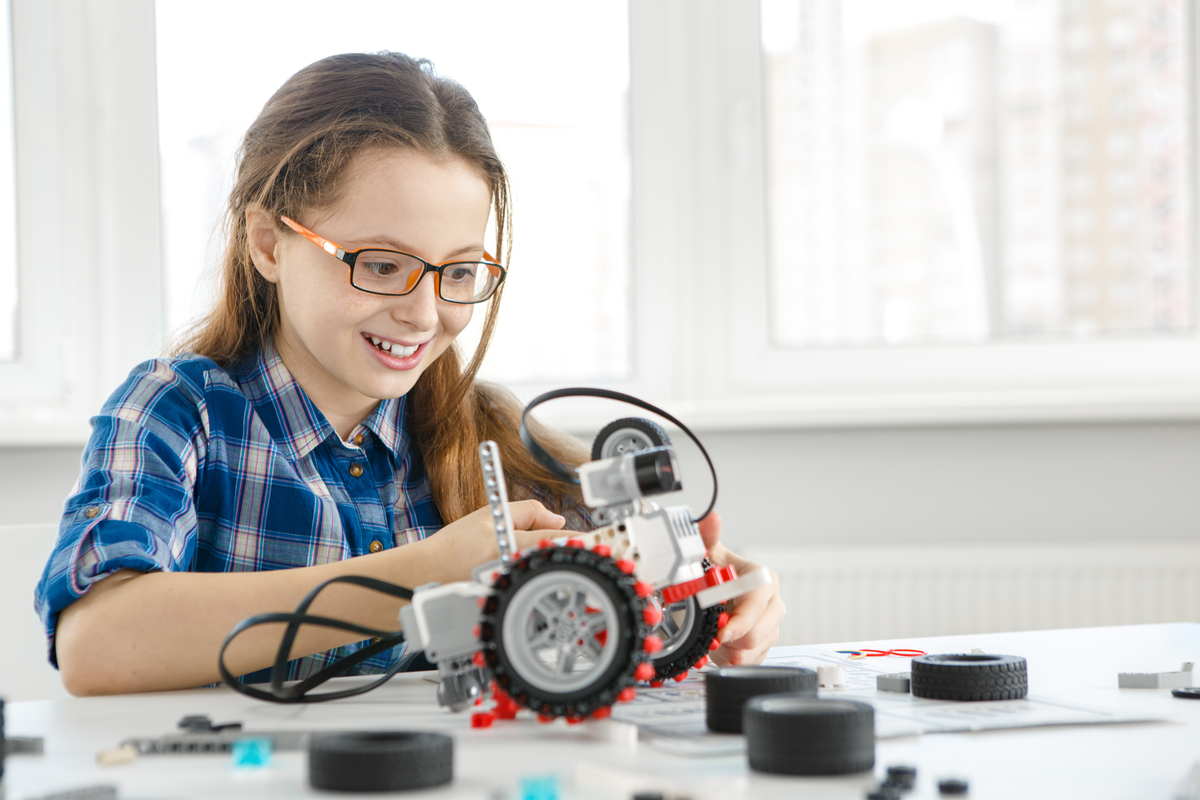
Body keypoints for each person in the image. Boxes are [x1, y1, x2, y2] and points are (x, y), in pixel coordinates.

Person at [34, 52, 785, 696]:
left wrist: (717, 594)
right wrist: (421, 571)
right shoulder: (178, 411)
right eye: (381, 265)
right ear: (267, 243)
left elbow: (642, 592)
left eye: (458, 272)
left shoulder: (487, 431)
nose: (424, 314)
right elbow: (96, 644)